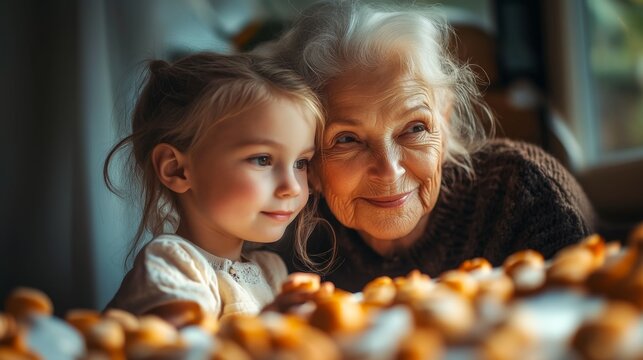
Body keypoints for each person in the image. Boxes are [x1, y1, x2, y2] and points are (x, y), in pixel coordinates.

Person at [257, 0, 596, 292]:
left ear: (444, 121)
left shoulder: (525, 194)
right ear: (307, 158)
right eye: (346, 139)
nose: (390, 170)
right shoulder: (287, 238)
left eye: (414, 128)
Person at [103, 52, 325, 320]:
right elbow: (175, 349)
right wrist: (273, 322)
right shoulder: (171, 265)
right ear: (176, 169)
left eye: (301, 163)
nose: (293, 187)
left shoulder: (271, 271)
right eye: (262, 159)